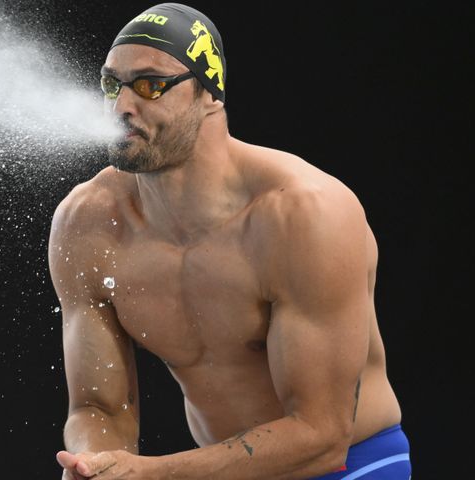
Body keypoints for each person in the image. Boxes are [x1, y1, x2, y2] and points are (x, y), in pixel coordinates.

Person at [48, 3, 411, 479]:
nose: (122, 106)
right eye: (112, 84)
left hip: (350, 465)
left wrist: (155, 475)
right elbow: (97, 408)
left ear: (209, 94)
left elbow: (322, 435)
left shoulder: (302, 213)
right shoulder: (87, 222)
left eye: (150, 85)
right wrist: (95, 464)